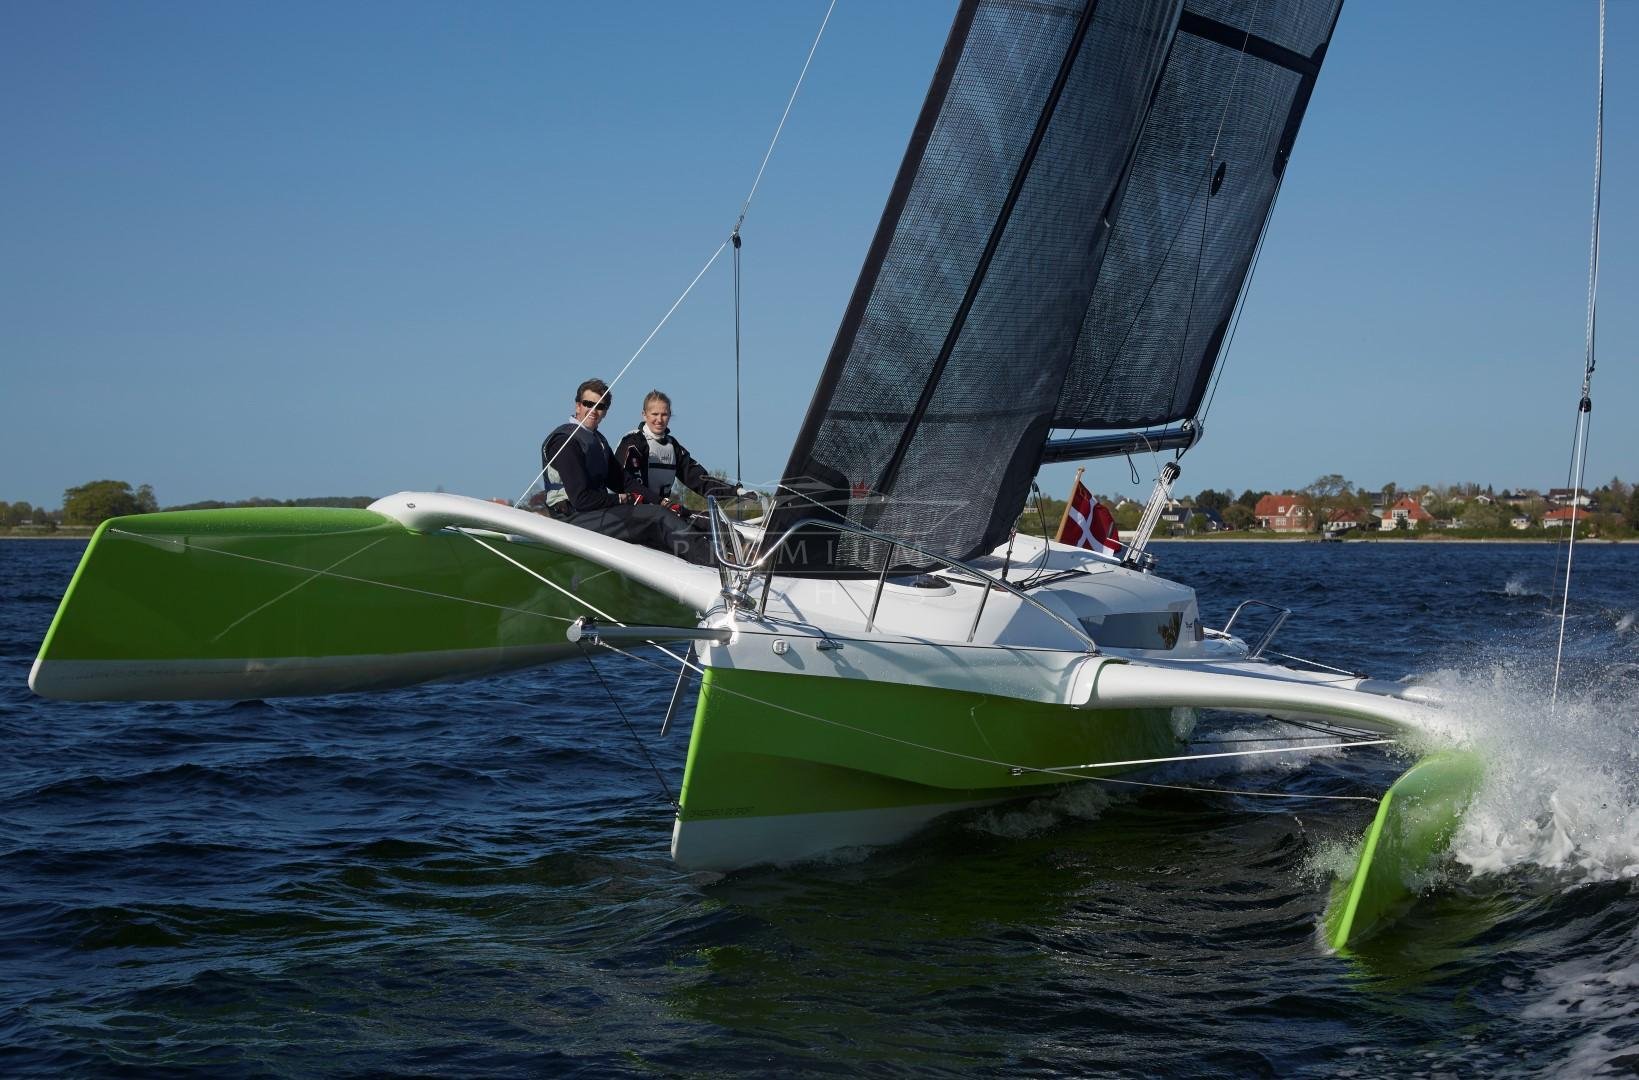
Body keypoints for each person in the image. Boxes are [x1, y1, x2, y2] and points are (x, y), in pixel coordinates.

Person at [539, 379, 713, 566]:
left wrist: (662, 502)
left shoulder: (598, 441)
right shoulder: (565, 441)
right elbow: (581, 499)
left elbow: (623, 481)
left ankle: (699, 566)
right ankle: (716, 565)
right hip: (571, 519)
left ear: (606, 411)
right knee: (656, 517)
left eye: (600, 406)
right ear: (578, 405)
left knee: (662, 515)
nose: (594, 411)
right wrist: (622, 499)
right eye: (589, 404)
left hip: (595, 513)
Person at [616, 390, 741, 515]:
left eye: (664, 414)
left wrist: (736, 491)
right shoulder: (633, 442)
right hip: (633, 514)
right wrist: (659, 502)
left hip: (662, 513)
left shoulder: (673, 446)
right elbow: (627, 483)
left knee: (709, 519)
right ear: (644, 415)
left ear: (670, 415)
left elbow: (699, 480)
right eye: (655, 414)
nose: (659, 419)